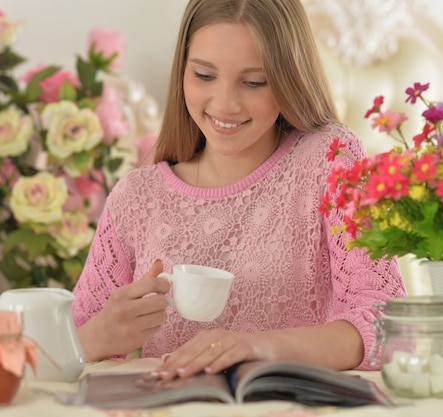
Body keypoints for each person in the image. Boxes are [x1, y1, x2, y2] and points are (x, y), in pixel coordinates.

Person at [72, 0, 406, 380]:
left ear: (288, 78)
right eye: (204, 76)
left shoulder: (329, 160)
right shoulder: (137, 196)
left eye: (253, 82)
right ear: (182, 70)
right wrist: (100, 336)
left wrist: (260, 348)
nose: (225, 104)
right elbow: (65, 351)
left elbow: (388, 322)